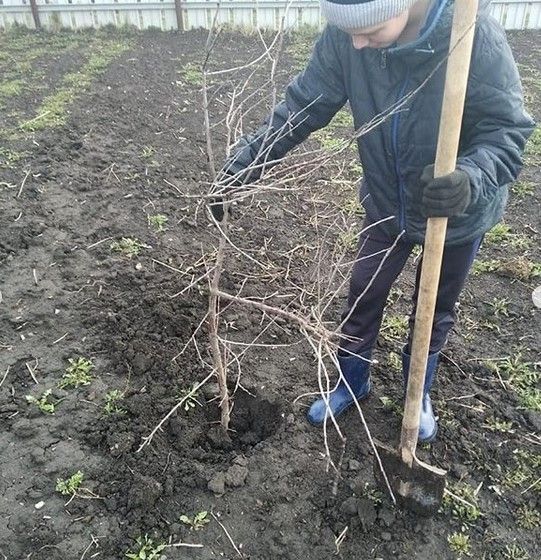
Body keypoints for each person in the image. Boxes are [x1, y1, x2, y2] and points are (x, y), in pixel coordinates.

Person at [209, 0, 534, 442]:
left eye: (371, 29)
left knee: (432, 307)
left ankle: (417, 391)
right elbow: (304, 104)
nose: (356, 43)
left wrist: (471, 178)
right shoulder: (349, 39)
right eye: (348, 32)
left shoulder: (471, 36)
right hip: (386, 200)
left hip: (454, 209)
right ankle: (352, 381)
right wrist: (245, 166)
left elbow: (508, 130)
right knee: (363, 294)